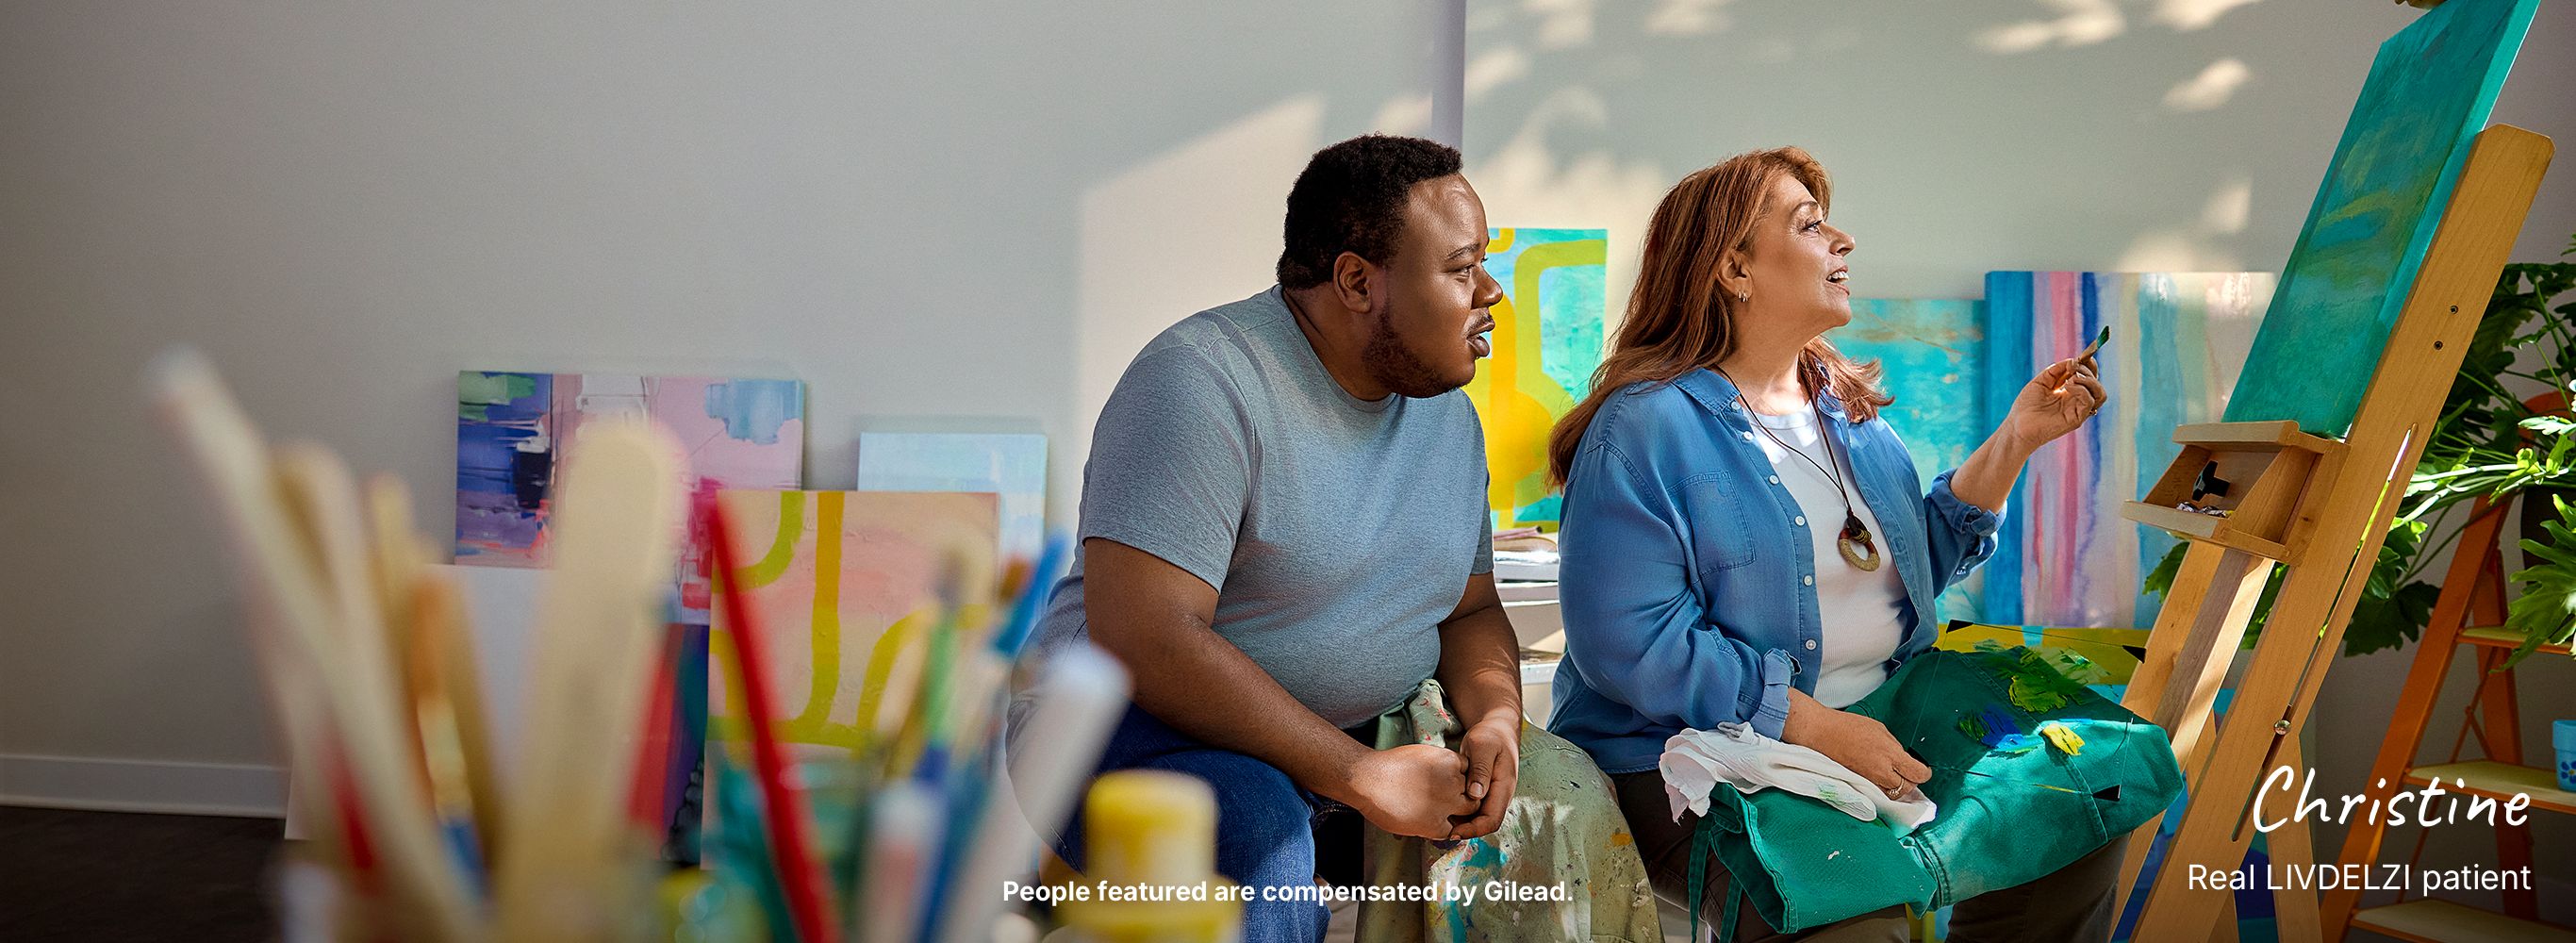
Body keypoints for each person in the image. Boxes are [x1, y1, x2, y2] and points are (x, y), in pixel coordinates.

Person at [1017, 135, 1658, 943]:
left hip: (1354, 739)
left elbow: (1467, 612)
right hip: (1131, 723)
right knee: (1260, 843)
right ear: (1357, 280)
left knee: (1559, 794)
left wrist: (1496, 721)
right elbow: (1145, 638)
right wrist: (1358, 777)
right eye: (1461, 268)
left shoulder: (1447, 419)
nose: (1491, 291)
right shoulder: (1200, 382)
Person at [1544, 146, 2122, 943]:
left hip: (1874, 721)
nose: (1843, 240)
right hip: (1692, 761)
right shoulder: (1643, 428)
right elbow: (1629, 643)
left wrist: (2016, 441)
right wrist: (1811, 725)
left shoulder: (1847, 412)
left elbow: (1912, 568)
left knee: (2084, 807)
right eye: (1811, 224)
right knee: (1855, 915)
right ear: (1734, 270)